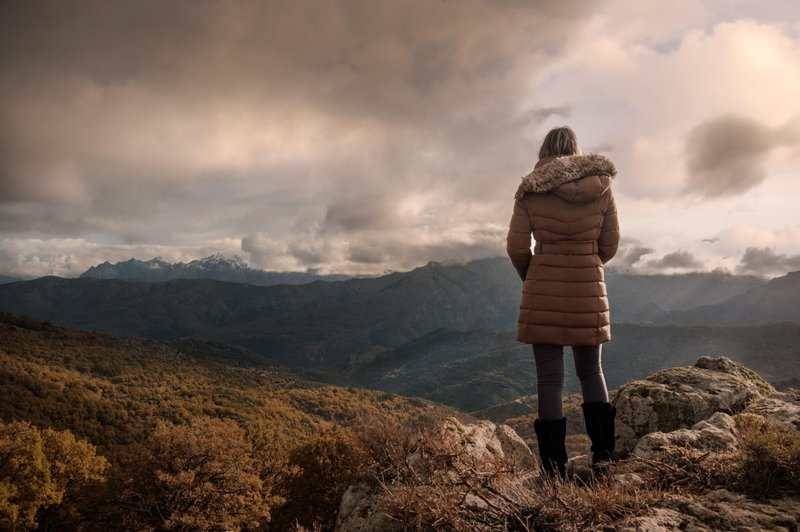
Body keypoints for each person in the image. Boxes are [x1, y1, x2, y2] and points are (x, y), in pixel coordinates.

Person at [506, 126, 619, 479]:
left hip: (543, 287)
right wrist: (587, 261)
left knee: (550, 381)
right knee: (591, 371)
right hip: (589, 286)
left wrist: (537, 276)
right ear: (576, 150)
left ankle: (554, 470)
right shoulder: (600, 188)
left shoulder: (530, 189)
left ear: (543, 151)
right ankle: (603, 457)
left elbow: (516, 247)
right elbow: (611, 244)